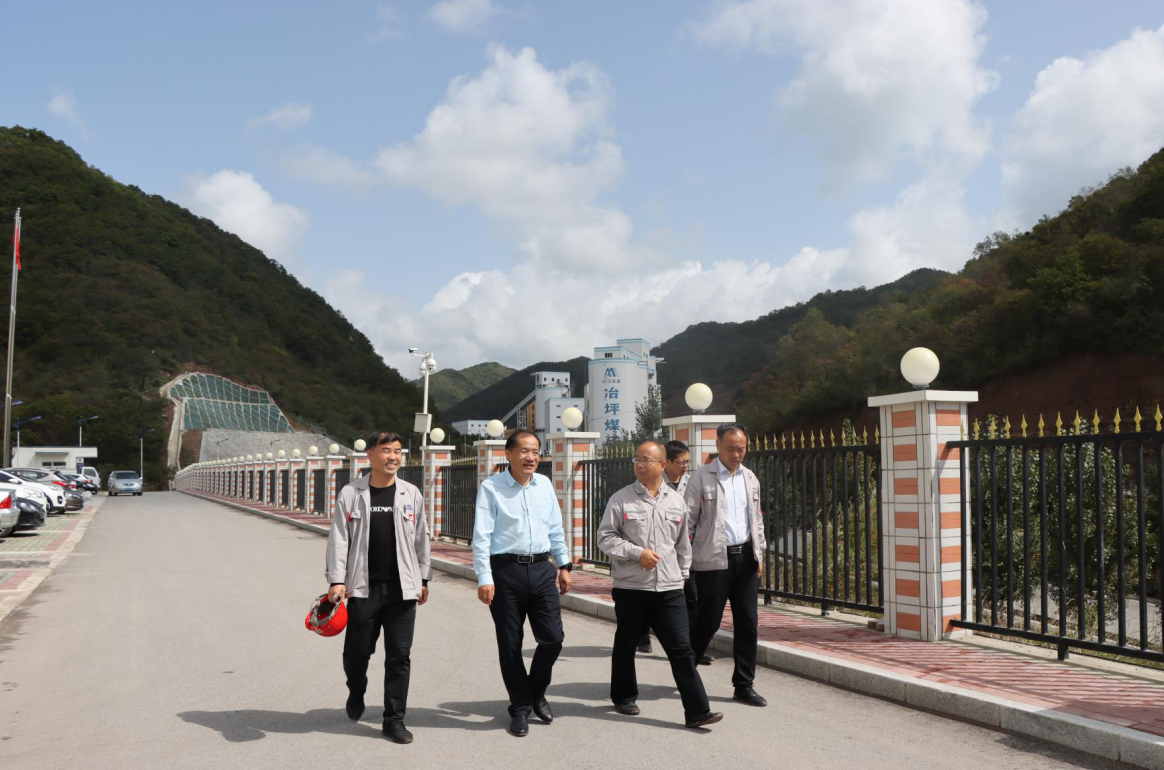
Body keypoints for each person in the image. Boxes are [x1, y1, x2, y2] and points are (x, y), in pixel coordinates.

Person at [598, 440, 723, 729]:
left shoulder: (676, 501)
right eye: (637, 459)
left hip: (670, 589)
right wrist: (636, 553)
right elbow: (605, 538)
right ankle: (624, 696)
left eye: (647, 460)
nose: (640, 464)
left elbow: (683, 545)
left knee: (681, 649)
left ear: (663, 465)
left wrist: (681, 576)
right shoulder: (621, 499)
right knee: (627, 643)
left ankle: (697, 711)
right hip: (632, 588)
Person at [325, 430, 432, 744]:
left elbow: (421, 537)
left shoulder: (411, 493)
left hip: (402, 590)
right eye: (386, 450)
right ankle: (356, 689)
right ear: (370, 454)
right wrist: (336, 580)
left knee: (399, 656)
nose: (393, 457)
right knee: (357, 653)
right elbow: (339, 538)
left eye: (398, 451)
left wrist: (424, 578)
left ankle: (393, 720)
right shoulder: (351, 493)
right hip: (363, 588)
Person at [472, 428, 573, 737]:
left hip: (542, 569)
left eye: (535, 452)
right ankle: (520, 708)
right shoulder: (491, 487)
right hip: (505, 572)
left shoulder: (544, 485)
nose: (531, 457)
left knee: (553, 639)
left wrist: (564, 564)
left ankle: (535, 692)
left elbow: (555, 527)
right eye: (524, 451)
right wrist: (484, 577)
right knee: (510, 644)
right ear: (509, 454)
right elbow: (482, 536)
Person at [686, 423, 768, 707]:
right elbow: (687, 522)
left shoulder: (750, 478)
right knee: (708, 621)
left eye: (741, 449)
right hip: (714, 560)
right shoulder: (701, 478)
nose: (736, 454)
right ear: (718, 446)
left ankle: (744, 685)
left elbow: (756, 519)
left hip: (746, 559)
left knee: (748, 624)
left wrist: (760, 554)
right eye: (731, 448)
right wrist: (685, 561)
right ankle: (685, 670)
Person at [638, 440, 709, 665]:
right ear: (665, 463)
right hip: (655, 551)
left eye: (688, 462)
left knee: (691, 597)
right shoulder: (651, 483)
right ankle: (642, 635)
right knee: (648, 597)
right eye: (681, 462)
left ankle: (692, 646)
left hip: (686, 548)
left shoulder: (692, 482)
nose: (685, 466)